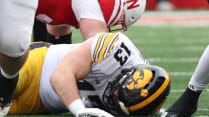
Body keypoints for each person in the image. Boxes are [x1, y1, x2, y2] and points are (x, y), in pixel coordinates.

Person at [5, 32, 170, 117]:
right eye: (116, 91)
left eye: (116, 99)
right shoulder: (114, 48)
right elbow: (60, 76)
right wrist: (79, 110)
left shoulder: (144, 101)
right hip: (37, 66)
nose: (112, 95)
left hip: (40, 105)